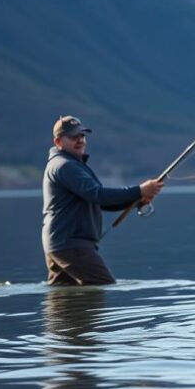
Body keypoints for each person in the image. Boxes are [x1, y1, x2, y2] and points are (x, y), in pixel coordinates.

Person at [42, 115, 163, 285]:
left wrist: (137, 199)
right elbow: (98, 195)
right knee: (103, 286)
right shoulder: (65, 166)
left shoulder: (71, 165)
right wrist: (139, 190)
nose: (80, 140)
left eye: (82, 136)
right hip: (72, 246)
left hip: (61, 245)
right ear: (58, 141)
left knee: (65, 301)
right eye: (73, 137)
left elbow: (100, 202)